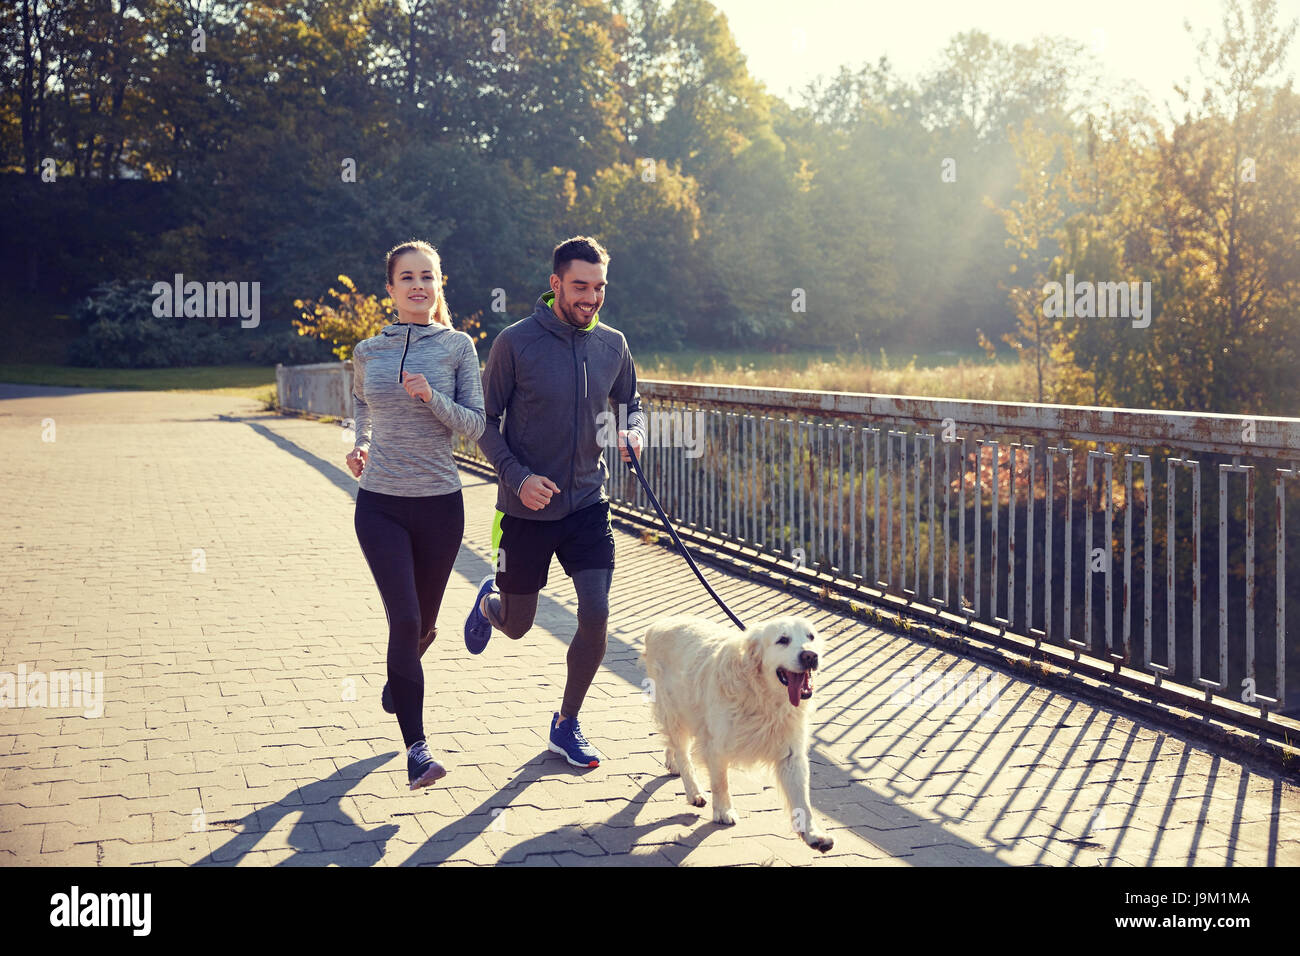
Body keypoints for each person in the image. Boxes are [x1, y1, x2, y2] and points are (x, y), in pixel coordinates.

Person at [464, 236, 645, 769]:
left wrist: (633, 428)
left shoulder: (613, 343)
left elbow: (630, 399)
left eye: (599, 288)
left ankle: (566, 725)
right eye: (580, 286)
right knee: (518, 625)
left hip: (589, 502)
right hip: (526, 510)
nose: (591, 298)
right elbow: (483, 422)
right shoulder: (515, 344)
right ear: (555, 285)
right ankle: (488, 603)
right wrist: (517, 478)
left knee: (596, 614)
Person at [346, 240, 485, 790]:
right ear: (391, 288)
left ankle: (397, 679)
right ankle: (417, 750)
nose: (418, 285)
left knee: (422, 627)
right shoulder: (367, 350)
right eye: (407, 277)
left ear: (439, 284)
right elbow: (359, 402)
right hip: (380, 504)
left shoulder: (458, 347)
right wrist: (359, 443)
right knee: (404, 621)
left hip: (440, 508)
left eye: (427, 276)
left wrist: (433, 399)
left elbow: (475, 424)